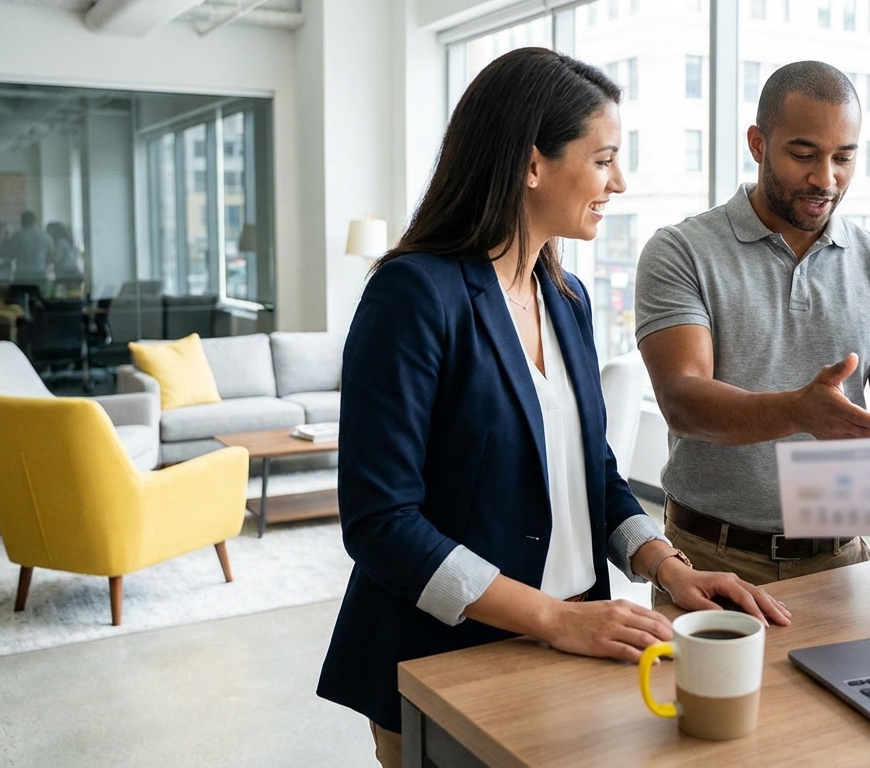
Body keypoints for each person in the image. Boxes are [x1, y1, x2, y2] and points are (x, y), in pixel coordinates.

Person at [316, 48, 790, 768]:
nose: (618, 183)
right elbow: (381, 523)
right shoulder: (414, 296)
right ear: (531, 164)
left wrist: (667, 567)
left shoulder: (564, 297)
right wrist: (554, 620)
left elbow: (592, 467)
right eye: (603, 160)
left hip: (574, 646)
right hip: (449, 658)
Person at [635, 61, 870, 594]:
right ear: (757, 143)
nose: (826, 178)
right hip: (708, 559)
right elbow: (683, 400)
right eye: (804, 154)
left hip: (844, 564)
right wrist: (798, 410)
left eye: (844, 157)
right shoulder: (680, 251)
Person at [1, 211, 52, 281]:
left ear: (22, 221)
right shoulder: (45, 236)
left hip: (22, 271)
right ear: (35, 220)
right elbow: (51, 253)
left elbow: (10, 252)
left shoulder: (18, 236)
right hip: (39, 270)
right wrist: (44, 263)